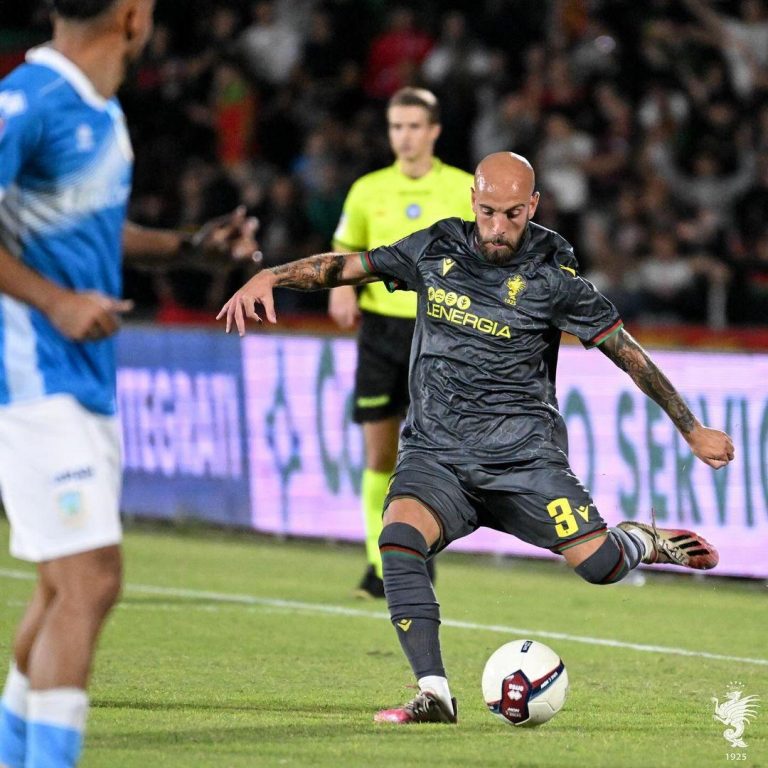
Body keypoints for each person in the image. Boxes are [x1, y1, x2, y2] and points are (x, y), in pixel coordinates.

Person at [217, 151, 734, 726]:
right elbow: (349, 266)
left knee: (600, 566)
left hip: (524, 461)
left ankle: (640, 541)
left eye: (512, 214)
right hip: (436, 456)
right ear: (473, 201)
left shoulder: (553, 277)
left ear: (533, 206)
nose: (498, 227)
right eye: (488, 212)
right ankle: (434, 693)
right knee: (398, 540)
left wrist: (691, 428)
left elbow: (627, 353)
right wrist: (272, 275)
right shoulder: (434, 248)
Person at [0, 3, 260, 766]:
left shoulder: (100, 110)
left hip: (82, 380)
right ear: (133, 15)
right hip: (31, 380)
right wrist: (57, 301)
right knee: (92, 580)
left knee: (62, 585)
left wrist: (190, 248)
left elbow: (92, 227)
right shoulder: (28, 102)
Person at [328, 86, 474, 598]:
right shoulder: (367, 190)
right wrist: (341, 290)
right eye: (396, 127)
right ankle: (379, 565)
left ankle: (417, 554)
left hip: (440, 333)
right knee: (379, 455)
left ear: (433, 131)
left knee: (431, 458)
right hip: (379, 333)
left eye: (414, 126)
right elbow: (345, 248)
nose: (404, 137)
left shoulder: (462, 188)